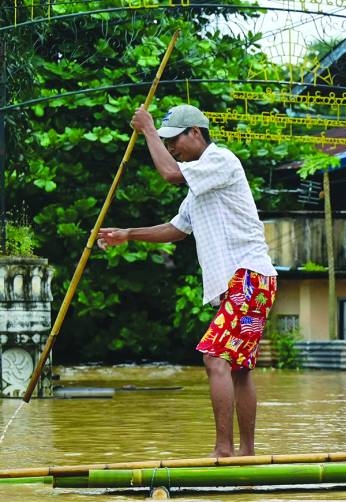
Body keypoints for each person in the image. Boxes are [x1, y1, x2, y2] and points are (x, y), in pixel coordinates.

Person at [98, 104, 278, 458]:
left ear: (196, 132)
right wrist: (128, 234)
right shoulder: (200, 186)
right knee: (238, 369)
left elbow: (169, 174)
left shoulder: (221, 160)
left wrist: (148, 129)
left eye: (173, 140)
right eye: (165, 142)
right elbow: (177, 230)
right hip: (247, 282)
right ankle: (245, 455)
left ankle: (225, 452)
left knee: (215, 359)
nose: (170, 149)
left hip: (250, 276)